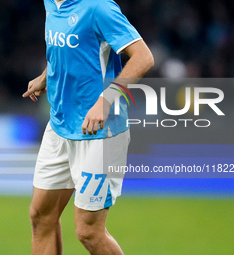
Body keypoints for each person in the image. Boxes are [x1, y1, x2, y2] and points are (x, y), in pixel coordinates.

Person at [23, 0, 154, 254]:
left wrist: (106, 100)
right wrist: (45, 76)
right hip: (60, 126)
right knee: (41, 217)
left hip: (98, 133)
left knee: (89, 232)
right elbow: (70, 48)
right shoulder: (51, 3)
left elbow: (144, 57)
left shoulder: (98, 7)